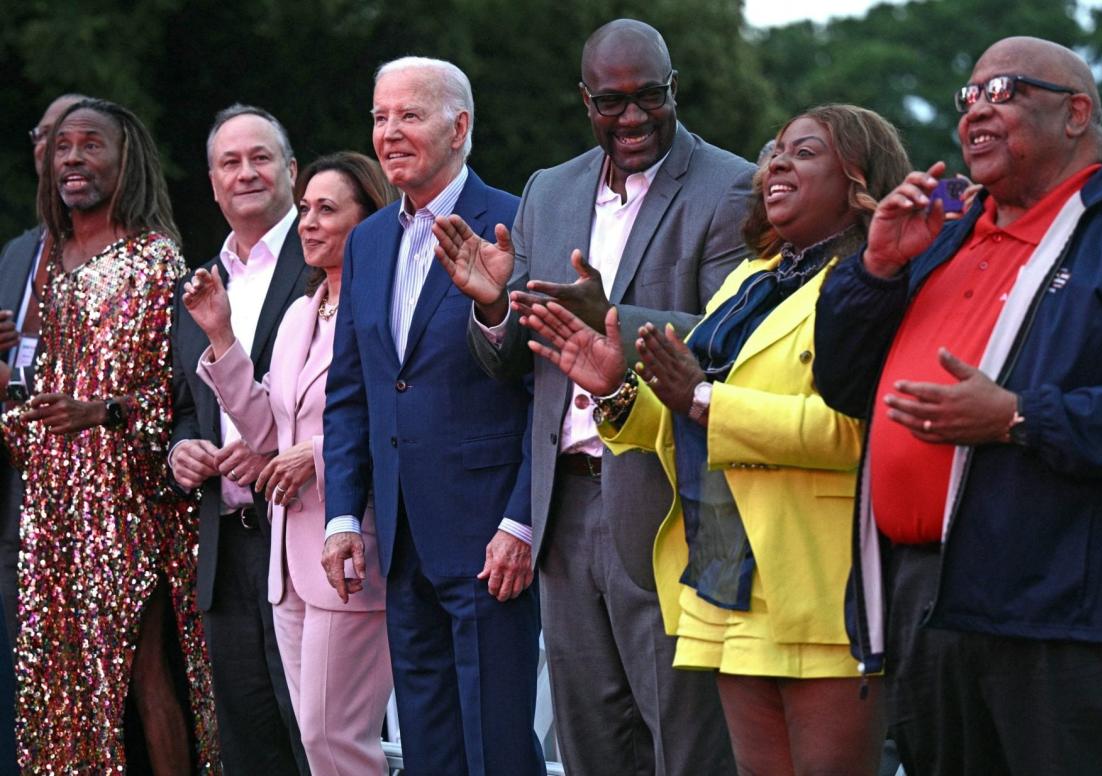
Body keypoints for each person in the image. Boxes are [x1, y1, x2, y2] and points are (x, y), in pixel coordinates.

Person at [813, 37, 1102, 775]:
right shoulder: (943, 236)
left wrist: (1016, 416)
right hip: (927, 603)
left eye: (1001, 91)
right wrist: (874, 271)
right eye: (967, 96)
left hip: (1069, 622)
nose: (976, 110)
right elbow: (845, 387)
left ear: (1076, 114)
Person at [520, 103, 908, 775]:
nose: (777, 163)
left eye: (805, 152)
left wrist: (702, 399)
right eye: (775, 150)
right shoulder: (751, 280)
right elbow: (681, 422)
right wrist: (616, 388)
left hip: (815, 588)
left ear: (858, 181)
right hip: (724, 577)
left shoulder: (869, 290)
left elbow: (851, 433)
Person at [434, 19, 750, 774]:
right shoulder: (552, 188)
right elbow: (517, 360)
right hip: (565, 506)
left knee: (685, 739)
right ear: (586, 101)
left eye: (650, 98)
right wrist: (492, 306)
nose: (633, 118)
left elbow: (735, 337)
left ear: (675, 89)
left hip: (676, 501)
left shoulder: (730, 185)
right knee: (590, 742)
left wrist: (612, 319)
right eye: (613, 102)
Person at [320, 56, 542, 775]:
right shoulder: (369, 241)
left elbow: (546, 391)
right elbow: (353, 391)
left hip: (491, 541)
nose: (389, 133)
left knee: (500, 746)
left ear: (460, 126)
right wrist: (343, 516)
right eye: (380, 117)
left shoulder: (518, 224)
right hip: (400, 539)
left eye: (409, 115)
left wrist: (521, 519)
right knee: (427, 747)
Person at [0, 97, 220, 772]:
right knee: (59, 678)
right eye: (63, 146)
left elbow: (177, 397)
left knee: (143, 670)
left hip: (131, 502)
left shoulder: (155, 260)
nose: (72, 158)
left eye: (91, 145)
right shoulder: (52, 263)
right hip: (53, 501)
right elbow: (37, 412)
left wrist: (101, 413)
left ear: (127, 161)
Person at [184, 152, 397, 774]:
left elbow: (397, 419)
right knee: (314, 738)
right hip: (287, 558)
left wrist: (321, 453)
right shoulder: (301, 312)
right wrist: (221, 336)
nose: (307, 222)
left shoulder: (383, 306)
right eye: (304, 208)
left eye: (327, 209)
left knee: (337, 737)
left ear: (369, 223)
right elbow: (267, 430)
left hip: (351, 551)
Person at [169, 104, 310, 775]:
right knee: (248, 745)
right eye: (231, 161)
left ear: (292, 171)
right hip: (226, 544)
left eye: (261, 157)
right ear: (212, 180)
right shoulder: (198, 285)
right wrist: (182, 450)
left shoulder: (326, 258)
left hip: (304, 533)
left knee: (318, 737)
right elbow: (185, 408)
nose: (246, 172)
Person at [0, 93, 86, 646]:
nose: (54, 148)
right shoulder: (16, 253)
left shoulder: (125, 250)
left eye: (75, 138)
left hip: (82, 459)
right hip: (12, 458)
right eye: (46, 135)